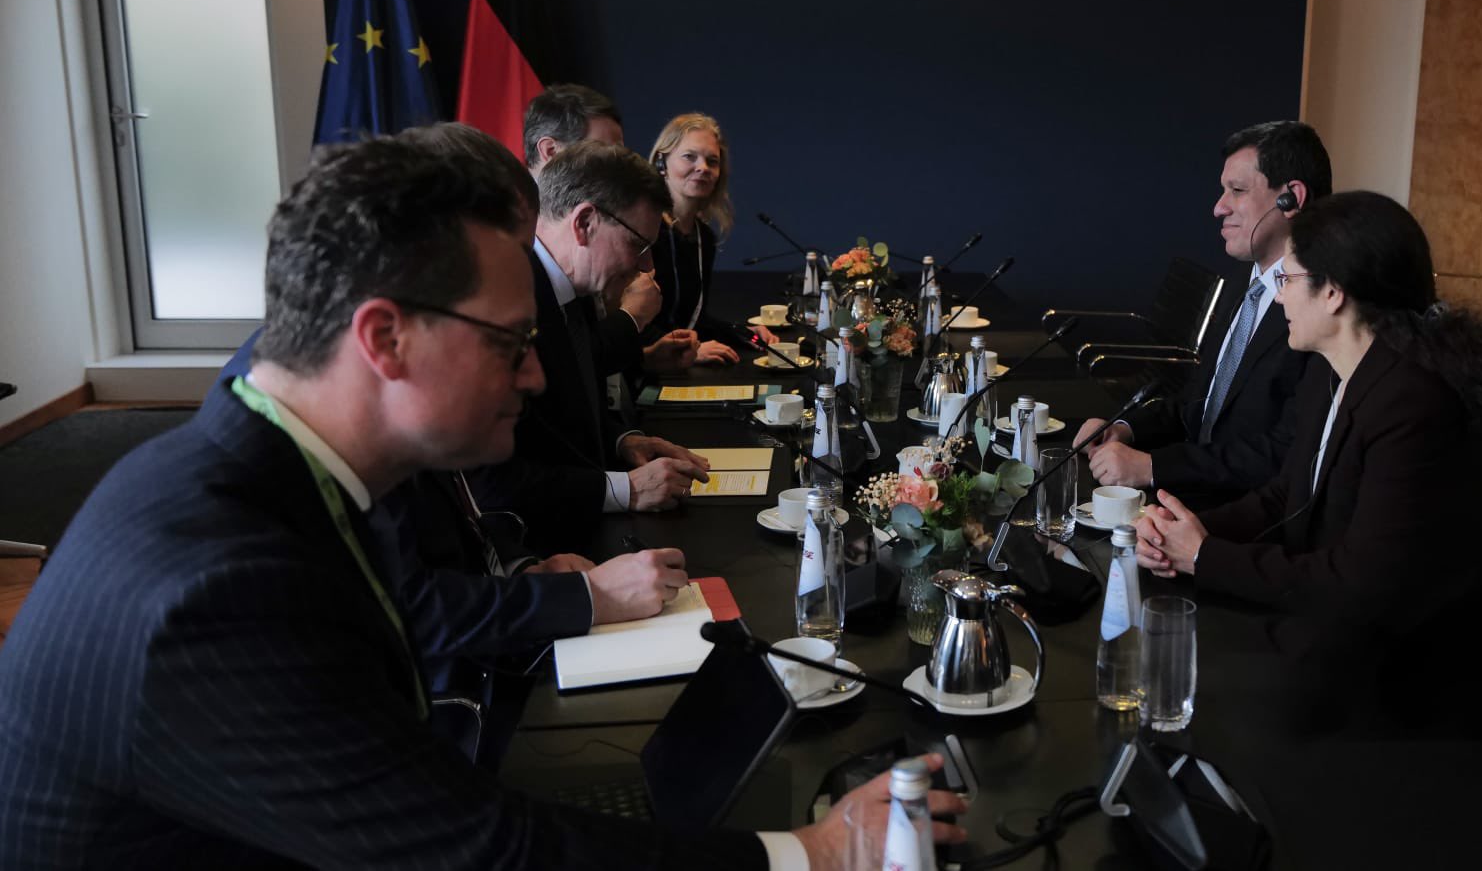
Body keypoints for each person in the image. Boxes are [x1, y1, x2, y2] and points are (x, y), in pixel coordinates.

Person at [0, 133, 965, 867]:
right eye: (510, 343)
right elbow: (470, 853)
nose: (536, 376)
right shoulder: (220, 585)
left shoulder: (276, 462)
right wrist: (814, 851)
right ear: (384, 341)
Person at [1133, 192, 1482, 704]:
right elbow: (1286, 495)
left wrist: (1205, 556)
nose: (1279, 299)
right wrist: (1181, 532)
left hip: (1395, 675)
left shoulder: (1411, 405)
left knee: (1161, 678)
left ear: (1333, 292)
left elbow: (1361, 583)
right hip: (1320, 622)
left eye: (1288, 281)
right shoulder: (1329, 370)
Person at [466, 141, 712, 552]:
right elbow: (491, 482)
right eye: (638, 245)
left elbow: (558, 417)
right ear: (584, 223)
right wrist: (626, 489)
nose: (647, 266)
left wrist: (622, 441)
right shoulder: (507, 299)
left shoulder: (572, 286)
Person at [1075, 120, 1332, 509]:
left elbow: (1285, 453)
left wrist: (1152, 467)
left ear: (1291, 198)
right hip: (1186, 493)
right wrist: (1125, 429)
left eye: (1238, 191)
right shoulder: (1243, 284)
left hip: (1242, 517)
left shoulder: (1322, 309)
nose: (1218, 207)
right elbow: (1199, 402)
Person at [524, 84, 698, 375]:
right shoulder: (516, 265)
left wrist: (644, 360)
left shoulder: (581, 254)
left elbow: (581, 365)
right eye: (602, 150)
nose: (647, 266)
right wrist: (630, 318)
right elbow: (552, 372)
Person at [644, 112, 778, 365]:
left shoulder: (703, 237)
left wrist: (743, 333)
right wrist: (687, 350)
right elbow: (632, 323)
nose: (703, 167)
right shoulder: (643, 229)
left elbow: (694, 321)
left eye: (712, 161)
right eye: (689, 156)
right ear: (662, 163)